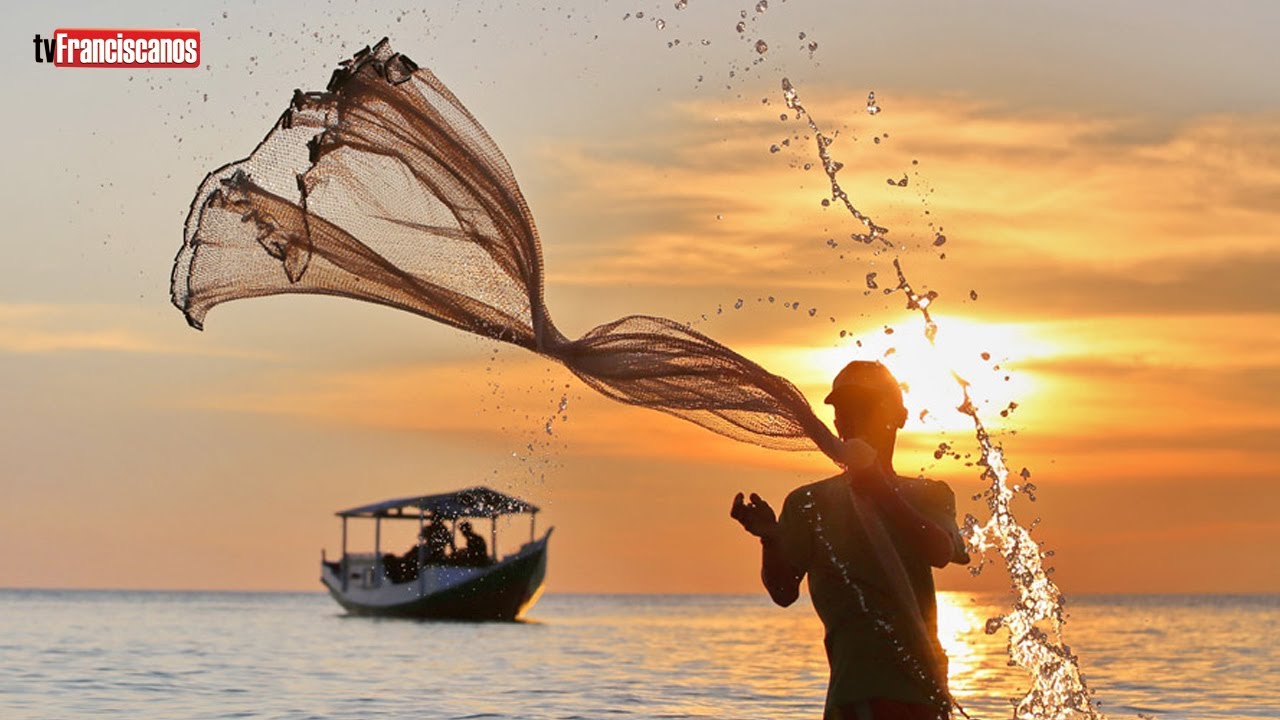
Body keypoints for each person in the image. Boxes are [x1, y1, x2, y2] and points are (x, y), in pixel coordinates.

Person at [731, 360, 970, 720]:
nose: (851, 420)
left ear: (900, 417)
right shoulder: (808, 503)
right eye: (843, 412)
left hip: (924, 694)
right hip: (855, 693)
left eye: (864, 408)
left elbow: (940, 550)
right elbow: (783, 592)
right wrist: (770, 539)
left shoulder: (928, 494)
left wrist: (882, 492)